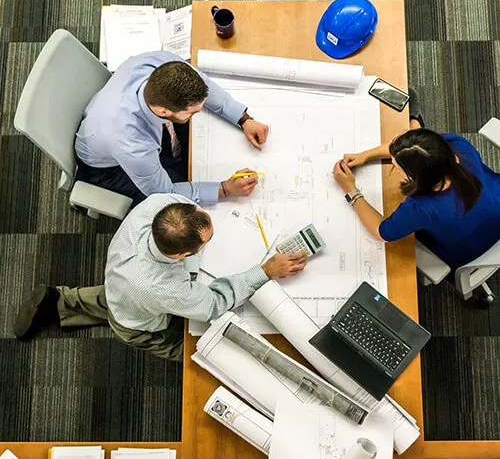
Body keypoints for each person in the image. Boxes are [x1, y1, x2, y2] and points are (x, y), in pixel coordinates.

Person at [14, 194, 308, 361]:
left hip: (122, 282)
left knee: (118, 297)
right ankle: (199, 358)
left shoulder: (160, 205)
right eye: (207, 242)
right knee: (199, 351)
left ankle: (60, 301)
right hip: (139, 323)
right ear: (181, 255)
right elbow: (214, 304)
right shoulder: (164, 288)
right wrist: (265, 271)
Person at [332, 89, 500, 273]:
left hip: (466, 250)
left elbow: (382, 232)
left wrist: (351, 190)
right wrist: (365, 156)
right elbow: (418, 149)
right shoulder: (458, 147)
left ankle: (415, 120)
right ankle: (415, 120)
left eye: (397, 166)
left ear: (414, 177)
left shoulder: (421, 208)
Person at [75, 51, 270, 206]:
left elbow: (204, 84)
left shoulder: (160, 64)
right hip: (108, 168)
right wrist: (225, 189)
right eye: (192, 113)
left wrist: (243, 119)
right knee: (178, 206)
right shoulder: (132, 145)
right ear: (163, 111)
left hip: (111, 123)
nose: (198, 114)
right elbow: (165, 193)